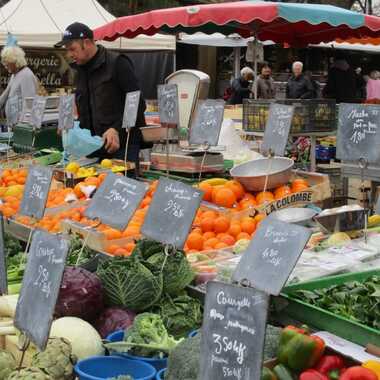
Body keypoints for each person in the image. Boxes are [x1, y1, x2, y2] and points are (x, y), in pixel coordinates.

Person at [55, 22, 146, 170]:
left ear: (87, 43)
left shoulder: (118, 63)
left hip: (123, 147)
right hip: (93, 150)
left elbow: (138, 104)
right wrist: (70, 127)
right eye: (67, 50)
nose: (69, 55)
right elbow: (86, 112)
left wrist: (116, 129)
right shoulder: (80, 71)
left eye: (72, 49)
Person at [0, 45, 38, 120]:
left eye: (7, 62)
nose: (5, 65)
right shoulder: (14, 75)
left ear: (15, 61)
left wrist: (22, 125)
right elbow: (5, 95)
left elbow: (29, 104)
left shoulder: (26, 75)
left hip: (21, 125)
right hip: (13, 124)